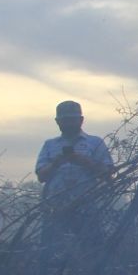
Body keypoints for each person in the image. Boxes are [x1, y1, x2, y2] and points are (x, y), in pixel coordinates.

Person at [35, 100, 115, 252]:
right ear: (57, 122)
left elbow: (108, 172)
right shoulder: (49, 145)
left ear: (81, 120)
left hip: (87, 207)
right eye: (65, 120)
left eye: (72, 119)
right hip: (55, 208)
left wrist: (85, 162)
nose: (69, 123)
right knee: (50, 251)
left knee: (91, 250)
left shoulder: (95, 143)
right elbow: (41, 176)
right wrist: (56, 164)